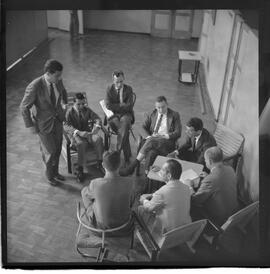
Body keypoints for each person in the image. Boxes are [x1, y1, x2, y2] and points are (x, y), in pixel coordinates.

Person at [20, 59, 67, 186]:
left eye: (60, 75)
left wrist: (64, 105)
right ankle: (49, 176)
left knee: (57, 149)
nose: (59, 78)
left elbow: (63, 92)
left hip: (57, 121)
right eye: (57, 75)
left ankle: (56, 173)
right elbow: (24, 107)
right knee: (50, 151)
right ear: (48, 73)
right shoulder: (34, 86)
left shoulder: (57, 80)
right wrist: (30, 126)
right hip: (43, 125)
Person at [119, 96, 181, 176]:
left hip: (166, 142)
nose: (161, 110)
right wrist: (149, 137)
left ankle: (133, 166)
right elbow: (141, 128)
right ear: (155, 107)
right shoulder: (151, 114)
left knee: (152, 141)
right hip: (151, 143)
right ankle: (147, 178)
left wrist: (164, 136)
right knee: (151, 153)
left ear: (167, 105)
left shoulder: (174, 115)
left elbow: (178, 132)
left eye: (163, 107)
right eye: (158, 108)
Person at [138, 159, 191, 244]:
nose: (160, 172)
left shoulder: (162, 192)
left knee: (141, 209)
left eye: (162, 170)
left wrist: (144, 200)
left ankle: (146, 239)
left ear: (169, 175)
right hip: (183, 231)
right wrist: (153, 195)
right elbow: (170, 195)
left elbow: (148, 208)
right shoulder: (186, 188)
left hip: (166, 235)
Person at [81, 151, 135, 235]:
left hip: (101, 229)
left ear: (103, 165)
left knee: (85, 191)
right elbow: (131, 201)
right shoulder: (130, 182)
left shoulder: (95, 183)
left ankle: (94, 210)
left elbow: (87, 195)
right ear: (120, 164)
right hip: (124, 227)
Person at [187, 146, 239, 226]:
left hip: (218, 218)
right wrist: (209, 175)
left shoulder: (210, 180)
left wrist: (190, 187)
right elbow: (220, 179)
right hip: (233, 211)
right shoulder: (230, 169)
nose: (205, 161)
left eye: (205, 160)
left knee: (189, 203)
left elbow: (196, 200)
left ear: (210, 161)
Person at [64, 92, 104, 182]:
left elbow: (97, 118)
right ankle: (80, 169)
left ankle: (100, 162)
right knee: (81, 144)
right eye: (78, 104)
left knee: (98, 139)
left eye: (83, 104)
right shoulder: (69, 112)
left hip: (88, 133)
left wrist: (97, 126)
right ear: (73, 103)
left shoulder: (87, 110)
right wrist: (78, 132)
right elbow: (66, 126)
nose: (81, 106)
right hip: (76, 136)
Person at [105, 70, 135, 163]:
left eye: (121, 81)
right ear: (113, 80)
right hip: (113, 115)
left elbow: (129, 106)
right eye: (117, 82)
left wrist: (116, 106)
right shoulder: (109, 88)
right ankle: (127, 157)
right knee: (124, 131)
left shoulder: (129, 89)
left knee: (125, 124)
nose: (119, 84)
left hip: (126, 114)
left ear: (124, 79)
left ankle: (117, 152)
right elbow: (108, 105)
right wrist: (122, 105)